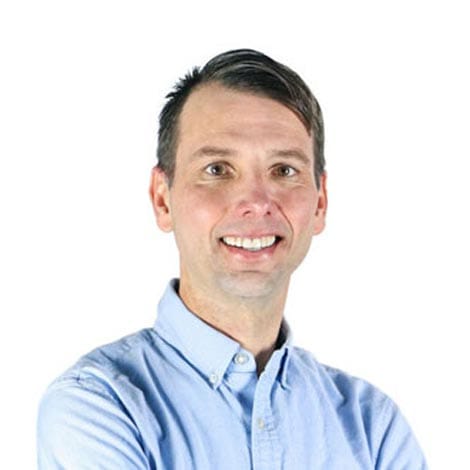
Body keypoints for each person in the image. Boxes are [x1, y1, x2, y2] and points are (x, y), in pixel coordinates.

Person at [37, 49, 428, 469]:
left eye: (284, 170)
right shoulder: (98, 406)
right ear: (162, 198)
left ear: (320, 203)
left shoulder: (373, 427)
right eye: (218, 169)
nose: (256, 202)